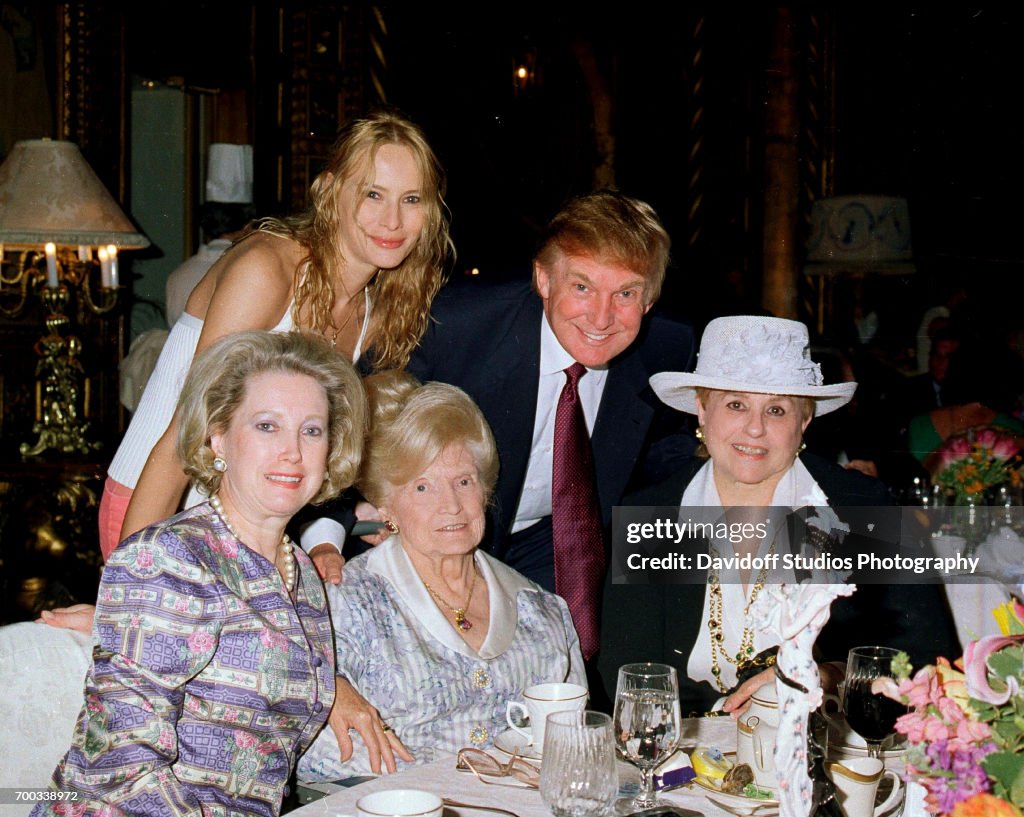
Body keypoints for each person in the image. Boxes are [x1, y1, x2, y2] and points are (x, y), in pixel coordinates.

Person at [32, 331, 367, 817]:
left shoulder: (304, 578)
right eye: (267, 426)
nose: (293, 452)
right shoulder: (168, 559)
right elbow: (119, 768)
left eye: (311, 430)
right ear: (217, 437)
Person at [98, 110, 452, 561]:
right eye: (372, 194)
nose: (392, 221)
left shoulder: (374, 310)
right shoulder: (267, 270)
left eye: (412, 199)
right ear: (330, 191)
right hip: (159, 510)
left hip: (249, 528)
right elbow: (181, 438)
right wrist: (132, 583)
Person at [403, 190, 695, 688]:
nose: (601, 318)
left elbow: (667, 459)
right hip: (439, 536)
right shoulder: (457, 327)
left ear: (649, 298)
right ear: (543, 278)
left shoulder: (668, 350)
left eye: (625, 294)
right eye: (582, 287)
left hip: (556, 543)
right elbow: (360, 404)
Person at [601, 315, 961, 716]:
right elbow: (627, 674)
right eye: (736, 404)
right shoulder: (649, 515)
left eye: (776, 410)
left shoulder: (859, 506)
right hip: (691, 746)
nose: (754, 429)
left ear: (805, 420)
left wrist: (829, 677)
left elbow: (928, 661)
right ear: (702, 410)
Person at [298, 371, 584, 781]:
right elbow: (322, 754)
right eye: (422, 488)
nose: (451, 505)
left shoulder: (544, 611)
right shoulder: (345, 603)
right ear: (385, 507)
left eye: (463, 481)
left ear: (485, 490)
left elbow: (572, 744)